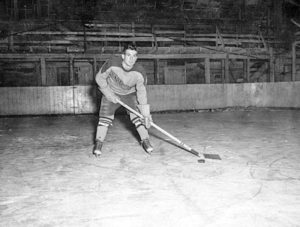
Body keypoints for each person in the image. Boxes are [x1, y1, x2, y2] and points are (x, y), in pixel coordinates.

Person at [93, 43, 153, 157]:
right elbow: (99, 78)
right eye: (128, 55)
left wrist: (145, 113)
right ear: (122, 56)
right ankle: (99, 143)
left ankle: (145, 141)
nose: (131, 59)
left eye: (134, 56)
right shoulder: (112, 63)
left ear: (137, 57)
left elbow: (142, 92)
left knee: (138, 118)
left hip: (129, 95)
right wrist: (109, 94)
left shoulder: (140, 72)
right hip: (111, 93)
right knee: (105, 118)